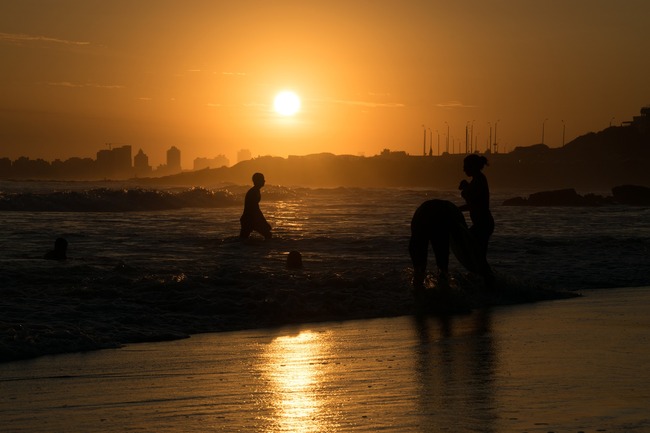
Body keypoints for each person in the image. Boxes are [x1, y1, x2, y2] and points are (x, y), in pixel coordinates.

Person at [409, 199, 467, 289]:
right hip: (436, 214)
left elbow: (413, 247)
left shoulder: (446, 210)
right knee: (441, 260)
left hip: (423, 214)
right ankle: (442, 285)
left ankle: (419, 284)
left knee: (420, 264)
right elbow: (460, 237)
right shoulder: (450, 212)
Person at [458, 154, 494, 261]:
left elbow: (474, 203)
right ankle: (480, 274)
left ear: (472, 166)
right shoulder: (476, 180)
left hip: (484, 224)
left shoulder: (480, 180)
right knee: (478, 254)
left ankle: (484, 275)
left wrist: (465, 189)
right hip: (481, 224)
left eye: (466, 166)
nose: (463, 169)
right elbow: (472, 202)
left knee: (478, 254)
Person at [240, 172, 272, 240]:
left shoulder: (255, 191)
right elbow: (255, 209)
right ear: (258, 181)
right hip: (250, 219)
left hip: (248, 218)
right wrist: (264, 221)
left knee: (243, 239)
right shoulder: (254, 192)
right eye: (262, 179)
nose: (264, 181)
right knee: (268, 234)